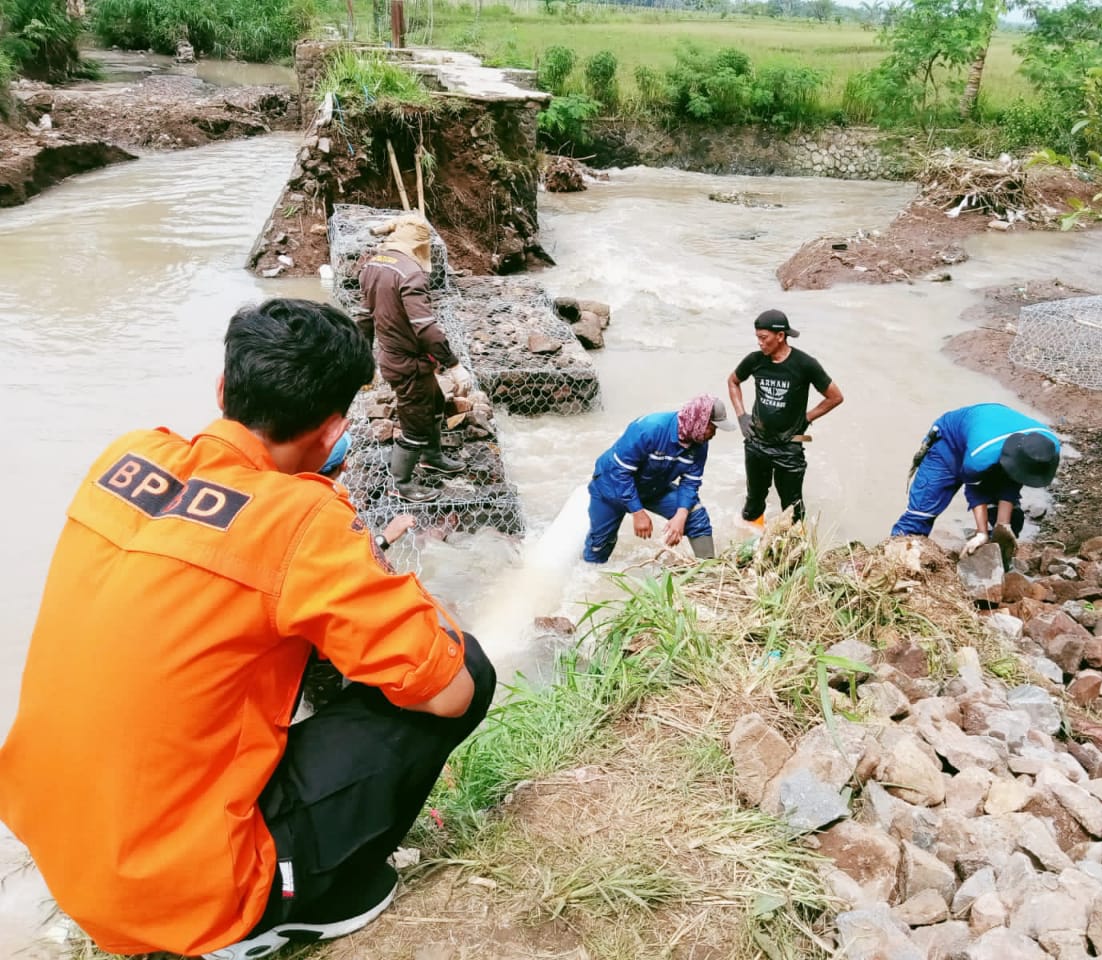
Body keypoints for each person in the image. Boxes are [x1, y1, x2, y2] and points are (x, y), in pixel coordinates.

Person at [0, 299, 496, 960]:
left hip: (63, 846)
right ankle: (275, 915)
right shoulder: (301, 521)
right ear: (331, 434)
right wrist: (378, 566)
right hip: (185, 897)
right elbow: (447, 691)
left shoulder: (124, 457)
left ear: (222, 389)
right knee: (469, 667)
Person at [359, 214, 475, 501]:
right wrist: (454, 365)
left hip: (393, 356)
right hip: (408, 364)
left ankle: (432, 457)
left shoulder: (373, 264)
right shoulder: (410, 273)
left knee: (434, 402)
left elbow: (364, 316)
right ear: (419, 243)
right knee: (415, 422)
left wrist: (364, 358)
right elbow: (424, 327)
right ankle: (401, 484)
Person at [891, 403, 1061, 560]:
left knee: (1011, 523)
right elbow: (974, 491)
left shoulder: (1047, 447)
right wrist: (981, 533)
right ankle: (894, 561)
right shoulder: (980, 458)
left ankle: (995, 563)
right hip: (950, 445)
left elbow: (1013, 482)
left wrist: (1003, 525)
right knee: (921, 515)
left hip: (995, 442)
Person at [583, 394, 732, 563]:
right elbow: (620, 473)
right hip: (612, 486)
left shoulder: (699, 443)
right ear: (700, 420)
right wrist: (637, 512)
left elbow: (690, 482)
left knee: (695, 515)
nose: (713, 434)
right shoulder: (650, 429)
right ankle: (590, 577)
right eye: (712, 427)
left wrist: (680, 516)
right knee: (599, 546)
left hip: (652, 486)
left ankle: (710, 571)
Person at [728, 309, 843, 527]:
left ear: (780, 336)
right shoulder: (755, 360)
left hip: (789, 445)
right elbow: (733, 381)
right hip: (757, 442)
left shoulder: (805, 364)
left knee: (792, 508)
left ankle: (795, 554)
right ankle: (751, 545)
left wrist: (807, 418)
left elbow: (835, 397)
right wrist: (742, 416)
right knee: (753, 503)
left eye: (764, 338)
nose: (760, 344)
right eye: (757, 338)